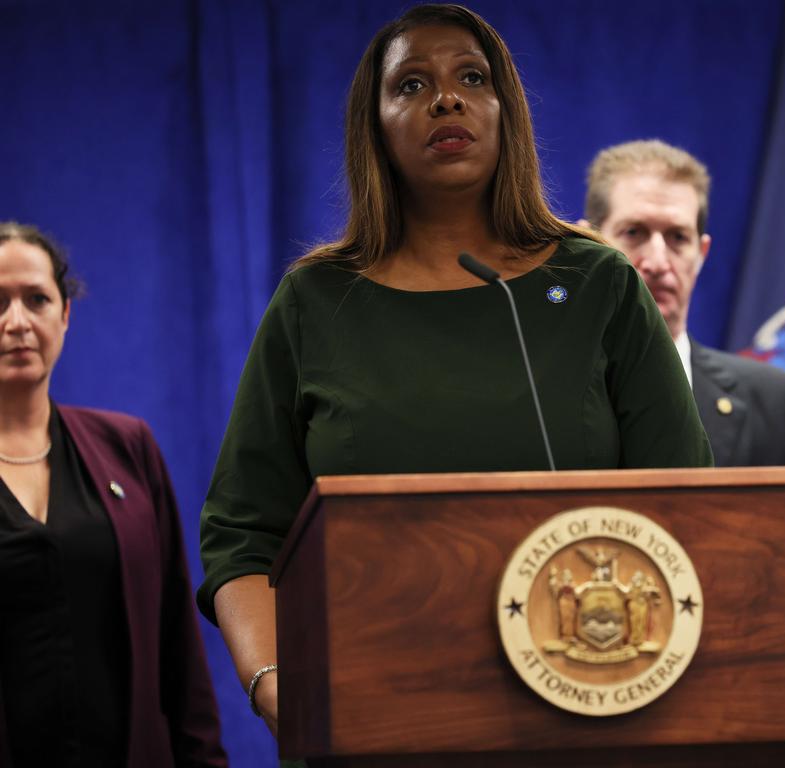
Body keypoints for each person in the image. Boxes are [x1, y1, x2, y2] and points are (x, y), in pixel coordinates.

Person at [197, 3, 712, 742]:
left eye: (472, 77)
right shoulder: (316, 302)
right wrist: (273, 682)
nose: (446, 98)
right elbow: (242, 532)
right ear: (372, 125)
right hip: (371, 714)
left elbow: (687, 505)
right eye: (410, 84)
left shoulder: (597, 282)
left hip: (586, 705)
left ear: (507, 112)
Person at [0, 222, 226, 767]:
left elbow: (178, 642)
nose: (17, 322)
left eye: (36, 299)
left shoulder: (128, 449)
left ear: (65, 316)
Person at [582, 139, 785, 466]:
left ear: (702, 253)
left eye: (678, 238)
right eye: (634, 232)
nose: (657, 261)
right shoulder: (539, 397)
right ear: (589, 245)